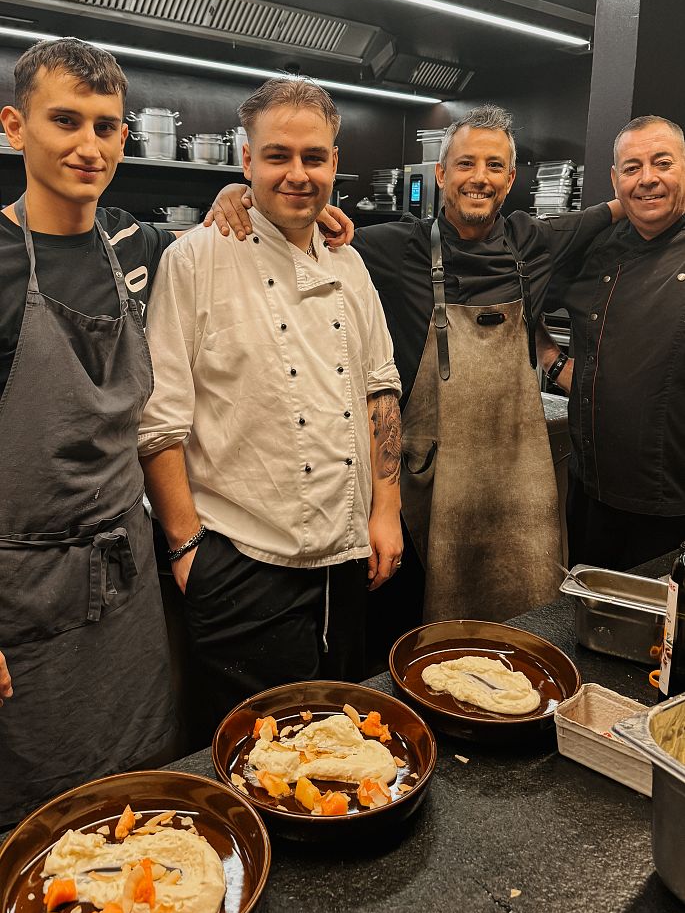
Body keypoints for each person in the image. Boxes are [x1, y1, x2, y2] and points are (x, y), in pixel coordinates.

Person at [208, 105, 622, 627]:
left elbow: (622, 206)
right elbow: (293, 219)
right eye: (466, 163)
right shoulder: (394, 246)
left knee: (518, 623)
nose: (480, 177)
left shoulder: (537, 241)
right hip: (426, 484)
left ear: (512, 178)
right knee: (417, 628)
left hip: (514, 484)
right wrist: (237, 193)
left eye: (494, 166)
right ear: (442, 174)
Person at [138, 77, 402, 743]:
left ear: (335, 162)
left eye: (313, 157)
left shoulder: (349, 262)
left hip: (346, 559)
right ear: (247, 160)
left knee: (339, 743)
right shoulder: (193, 258)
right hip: (240, 561)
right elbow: (159, 420)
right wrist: (187, 548)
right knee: (252, 758)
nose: (297, 173)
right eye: (278, 155)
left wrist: (386, 510)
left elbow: (380, 387)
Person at [0, 37, 180, 826]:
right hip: (22, 593)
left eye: (106, 126)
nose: (89, 146)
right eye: (65, 120)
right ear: (15, 125)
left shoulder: (132, 243)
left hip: (127, 581)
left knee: (138, 787)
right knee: (39, 817)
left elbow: (231, 238)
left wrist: (243, 202)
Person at [544, 115, 685, 570]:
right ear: (614, 180)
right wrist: (553, 361)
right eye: (632, 167)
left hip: (673, 506)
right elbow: (517, 294)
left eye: (663, 163)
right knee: (585, 608)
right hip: (591, 493)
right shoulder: (594, 249)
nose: (647, 179)